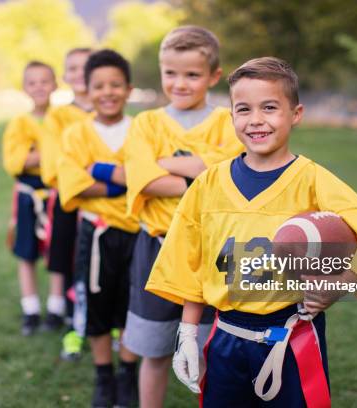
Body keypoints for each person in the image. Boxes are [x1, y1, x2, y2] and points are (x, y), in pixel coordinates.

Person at [146, 57, 357, 407]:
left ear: (296, 113)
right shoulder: (208, 183)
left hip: (292, 335)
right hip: (225, 337)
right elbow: (191, 263)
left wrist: (337, 287)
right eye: (243, 109)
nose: (256, 120)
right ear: (231, 116)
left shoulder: (313, 180)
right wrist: (187, 333)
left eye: (270, 107)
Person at [122, 26, 244, 407]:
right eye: (171, 73)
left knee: (208, 349)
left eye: (192, 74)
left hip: (211, 252)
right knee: (154, 350)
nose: (180, 83)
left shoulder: (229, 121)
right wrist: (202, 173)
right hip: (156, 248)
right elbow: (143, 180)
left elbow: (234, 174)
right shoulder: (146, 123)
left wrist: (164, 166)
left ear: (213, 76)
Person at [57, 49, 140, 408]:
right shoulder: (76, 134)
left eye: (115, 85)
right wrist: (124, 183)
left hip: (139, 233)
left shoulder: (143, 129)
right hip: (97, 234)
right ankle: (103, 376)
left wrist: (100, 171)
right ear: (86, 90)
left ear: (128, 89)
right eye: (99, 86)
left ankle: (128, 375)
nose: (107, 92)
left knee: (134, 307)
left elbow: (151, 176)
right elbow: (72, 184)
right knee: (97, 307)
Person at [2, 61, 63, 336]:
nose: (39, 87)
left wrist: (38, 154)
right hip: (28, 195)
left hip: (56, 193)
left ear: (55, 85)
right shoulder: (19, 122)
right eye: (32, 82)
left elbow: (70, 154)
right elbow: (15, 160)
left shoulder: (63, 119)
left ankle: (56, 307)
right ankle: (30, 309)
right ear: (25, 88)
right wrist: (45, 155)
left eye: (45, 81)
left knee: (56, 251)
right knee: (26, 253)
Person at [41, 48, 93, 359]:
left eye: (86, 67)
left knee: (97, 264)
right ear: (65, 76)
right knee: (68, 258)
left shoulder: (108, 113)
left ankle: (107, 321)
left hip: (106, 203)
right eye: (72, 68)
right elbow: (55, 163)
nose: (79, 73)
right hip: (69, 198)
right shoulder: (58, 116)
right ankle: (70, 316)